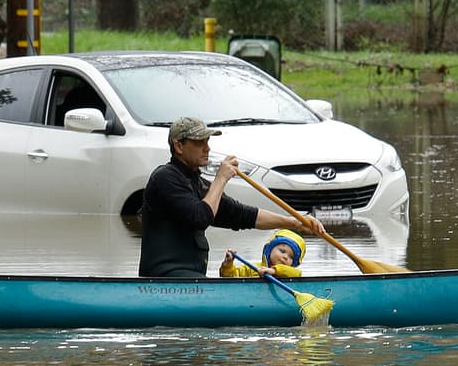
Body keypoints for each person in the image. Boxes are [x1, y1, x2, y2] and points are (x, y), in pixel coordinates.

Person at [138, 116, 326, 277]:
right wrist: (221, 178)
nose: (207, 148)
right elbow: (200, 218)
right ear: (179, 146)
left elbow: (243, 214)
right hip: (164, 279)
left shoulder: (199, 184)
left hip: (192, 280)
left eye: (207, 142)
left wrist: (295, 222)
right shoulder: (165, 177)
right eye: (198, 142)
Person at [219, 229, 307, 278]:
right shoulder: (253, 268)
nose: (285, 257)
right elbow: (230, 277)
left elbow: (297, 273)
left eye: (291, 257)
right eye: (282, 251)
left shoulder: (291, 274)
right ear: (269, 250)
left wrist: (274, 271)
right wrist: (228, 264)